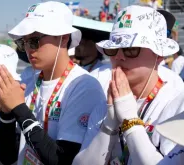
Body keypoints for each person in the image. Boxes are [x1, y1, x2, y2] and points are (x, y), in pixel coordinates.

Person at [0, 2, 107, 165]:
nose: (28, 48)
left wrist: (20, 109)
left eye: (34, 41)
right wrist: (6, 113)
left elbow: (62, 160)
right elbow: (7, 157)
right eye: (22, 42)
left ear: (64, 38)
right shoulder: (29, 80)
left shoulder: (83, 86)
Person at [73, 5, 184, 165]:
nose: (118, 56)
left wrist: (131, 122)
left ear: (159, 54)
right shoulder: (106, 104)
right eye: (113, 49)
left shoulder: (176, 103)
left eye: (130, 49)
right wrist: (109, 126)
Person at [73, 18, 112, 96]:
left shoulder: (104, 72)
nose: (77, 45)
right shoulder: (75, 68)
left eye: (82, 42)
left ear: (95, 46)